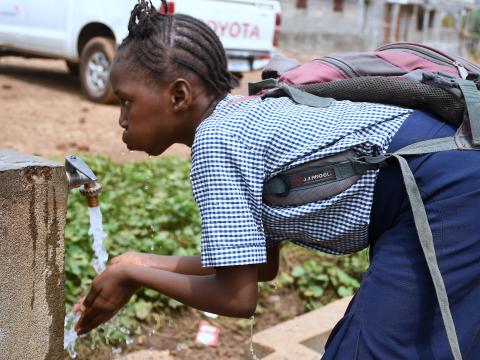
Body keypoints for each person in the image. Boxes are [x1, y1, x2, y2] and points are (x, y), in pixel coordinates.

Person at [74, 1, 480, 358]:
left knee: (370, 350)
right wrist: (138, 261)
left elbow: (236, 297)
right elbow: (260, 267)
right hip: (446, 178)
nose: (122, 119)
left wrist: (132, 275)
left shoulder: (216, 142)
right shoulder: (241, 120)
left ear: (178, 96)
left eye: (127, 101)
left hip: (444, 188)